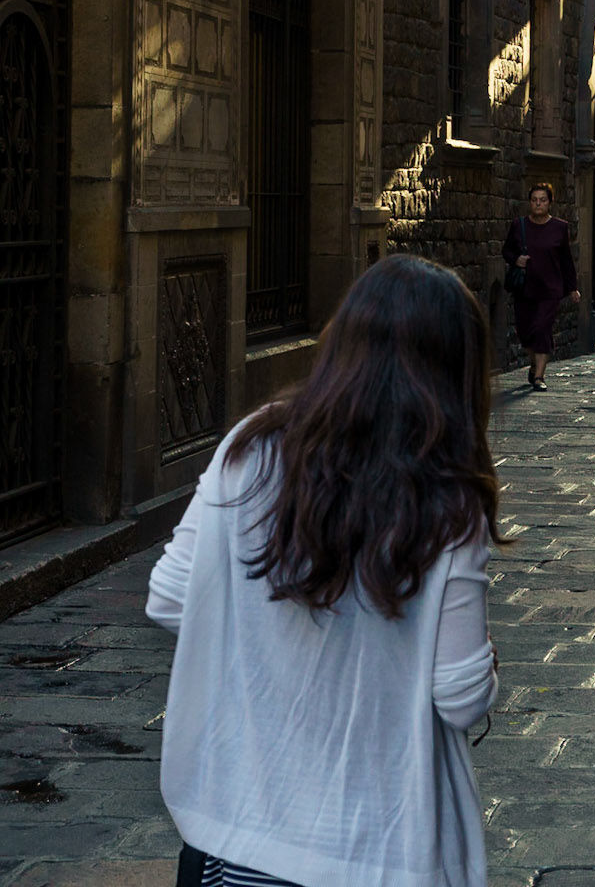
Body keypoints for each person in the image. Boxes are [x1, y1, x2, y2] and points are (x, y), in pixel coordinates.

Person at [147, 254, 500, 887]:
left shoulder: (248, 449)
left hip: (237, 835)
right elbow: (461, 697)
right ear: (456, 373)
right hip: (378, 846)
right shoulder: (450, 501)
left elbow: (170, 598)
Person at [502, 182, 580, 391]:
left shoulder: (560, 227)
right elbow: (507, 250)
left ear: (550, 203)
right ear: (530, 202)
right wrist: (516, 259)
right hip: (525, 288)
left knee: (542, 328)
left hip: (550, 288)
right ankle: (534, 361)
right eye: (535, 200)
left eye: (542, 200)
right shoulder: (519, 225)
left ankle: (539, 376)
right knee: (526, 332)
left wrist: (572, 287)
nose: (538, 204)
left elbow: (566, 260)